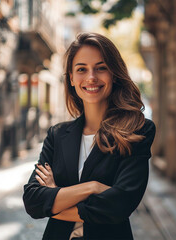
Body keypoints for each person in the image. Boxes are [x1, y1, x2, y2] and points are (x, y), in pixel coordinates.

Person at [23, 32, 156, 240]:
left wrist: (57, 194)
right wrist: (91, 188)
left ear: (114, 74)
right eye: (82, 69)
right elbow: (33, 201)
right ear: (72, 79)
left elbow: (120, 204)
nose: (91, 77)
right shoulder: (57, 135)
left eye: (101, 68)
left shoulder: (137, 130)